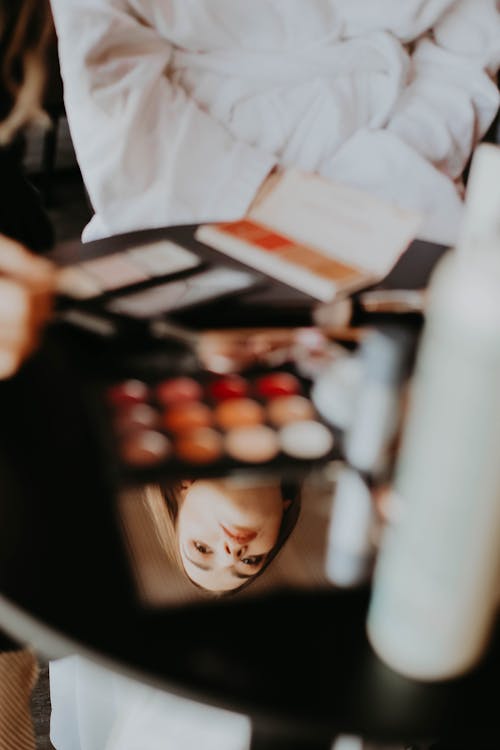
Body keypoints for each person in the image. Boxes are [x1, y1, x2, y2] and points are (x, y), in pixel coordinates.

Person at [49, 0, 500, 248]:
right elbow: (110, 77)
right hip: (189, 192)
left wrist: (400, 154)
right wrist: (267, 194)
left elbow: (466, 46)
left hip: (402, 169)